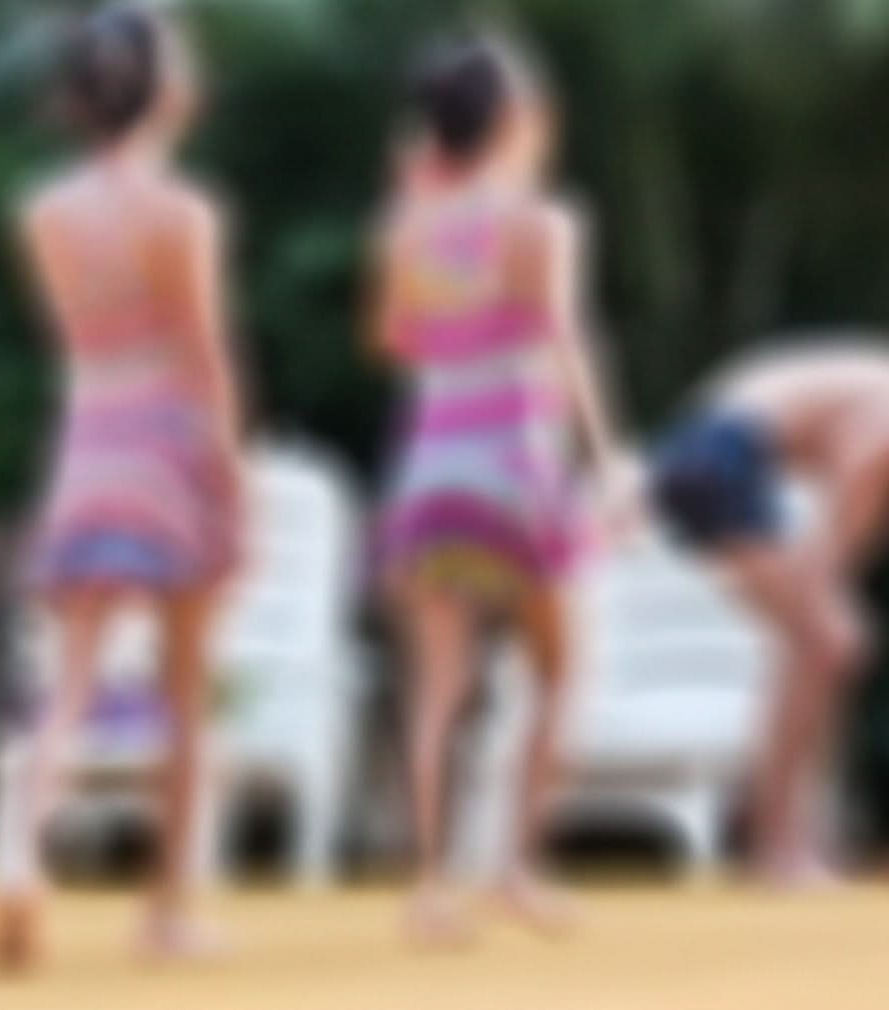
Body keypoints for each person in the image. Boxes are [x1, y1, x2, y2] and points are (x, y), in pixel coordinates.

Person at [0, 4, 249, 975]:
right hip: (168, 442)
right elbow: (202, 357)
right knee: (183, 690)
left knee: (70, 682)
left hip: (87, 438)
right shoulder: (182, 212)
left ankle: (17, 858)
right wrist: (231, 482)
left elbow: (76, 338)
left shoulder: (42, 209)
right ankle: (166, 910)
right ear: (159, 87)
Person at [370, 32, 626, 945]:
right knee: (560, 672)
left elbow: (394, 340)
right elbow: (565, 342)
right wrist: (607, 464)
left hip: (433, 466)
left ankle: (429, 890)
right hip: (518, 464)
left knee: (439, 683)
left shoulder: (408, 224)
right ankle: (515, 866)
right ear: (515, 119)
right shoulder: (541, 223)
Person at [646, 340, 889, 888]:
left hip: (709, 449)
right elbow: (833, 546)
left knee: (826, 642)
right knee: (830, 642)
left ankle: (785, 834)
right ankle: (779, 842)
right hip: (718, 453)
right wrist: (819, 588)